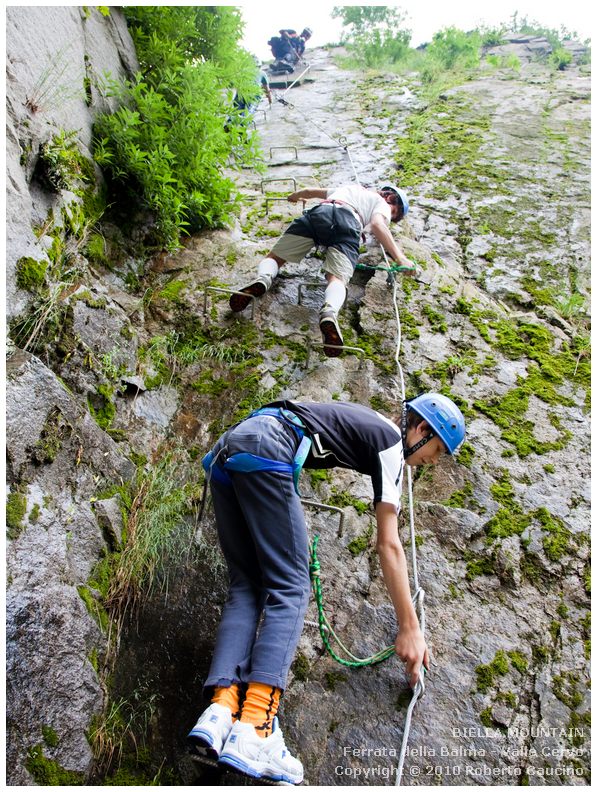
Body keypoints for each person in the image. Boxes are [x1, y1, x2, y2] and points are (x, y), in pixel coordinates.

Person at [187, 393, 466, 784]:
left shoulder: (366, 423)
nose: (432, 461)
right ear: (420, 429)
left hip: (231, 447)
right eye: (436, 450)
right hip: (270, 446)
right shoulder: (390, 442)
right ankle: (256, 726)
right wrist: (410, 626)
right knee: (292, 586)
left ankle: (221, 710)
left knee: (247, 586)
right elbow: (388, 544)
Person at [228, 183, 414, 356]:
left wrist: (294, 196)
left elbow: (309, 192)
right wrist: (400, 257)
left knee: (274, 258)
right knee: (337, 279)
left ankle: (264, 278)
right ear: (391, 200)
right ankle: (329, 311)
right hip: (348, 225)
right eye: (394, 212)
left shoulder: (350, 187)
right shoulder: (382, 204)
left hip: (320, 213)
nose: (390, 213)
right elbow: (378, 224)